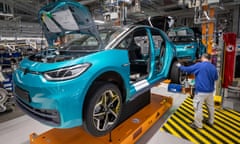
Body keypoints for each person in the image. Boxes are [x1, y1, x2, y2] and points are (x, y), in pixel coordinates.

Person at [176, 53, 218, 129]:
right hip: (210, 92)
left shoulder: (199, 65)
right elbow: (215, 78)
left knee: (198, 107)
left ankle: (198, 124)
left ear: (203, 57)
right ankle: (211, 121)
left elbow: (187, 69)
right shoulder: (213, 67)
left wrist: (179, 66)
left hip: (201, 92)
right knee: (210, 106)